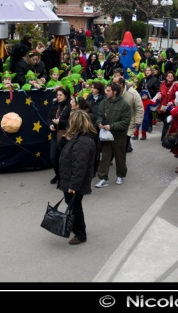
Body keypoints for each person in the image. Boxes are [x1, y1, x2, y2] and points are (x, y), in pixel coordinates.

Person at [57, 109, 97, 245]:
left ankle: (80, 234)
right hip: (69, 178)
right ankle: (76, 227)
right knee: (72, 205)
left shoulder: (84, 142)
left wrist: (73, 185)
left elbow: (80, 167)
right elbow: (60, 149)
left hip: (74, 182)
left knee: (75, 207)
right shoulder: (76, 137)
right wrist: (65, 139)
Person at [95, 82, 131, 187]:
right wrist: (99, 123)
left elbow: (125, 122)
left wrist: (112, 126)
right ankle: (102, 178)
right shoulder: (104, 103)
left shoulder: (124, 105)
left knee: (120, 156)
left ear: (115, 92)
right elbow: (100, 116)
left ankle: (120, 175)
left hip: (119, 136)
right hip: (106, 135)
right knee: (105, 156)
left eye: (108, 90)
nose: (106, 92)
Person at [48, 87, 72, 186]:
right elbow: (49, 117)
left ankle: (64, 177)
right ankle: (57, 175)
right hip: (55, 135)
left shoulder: (70, 106)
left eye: (60, 95)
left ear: (66, 96)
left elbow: (71, 122)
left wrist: (60, 122)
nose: (58, 97)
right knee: (53, 157)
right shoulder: (55, 105)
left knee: (64, 158)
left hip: (65, 136)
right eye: (57, 95)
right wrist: (50, 124)